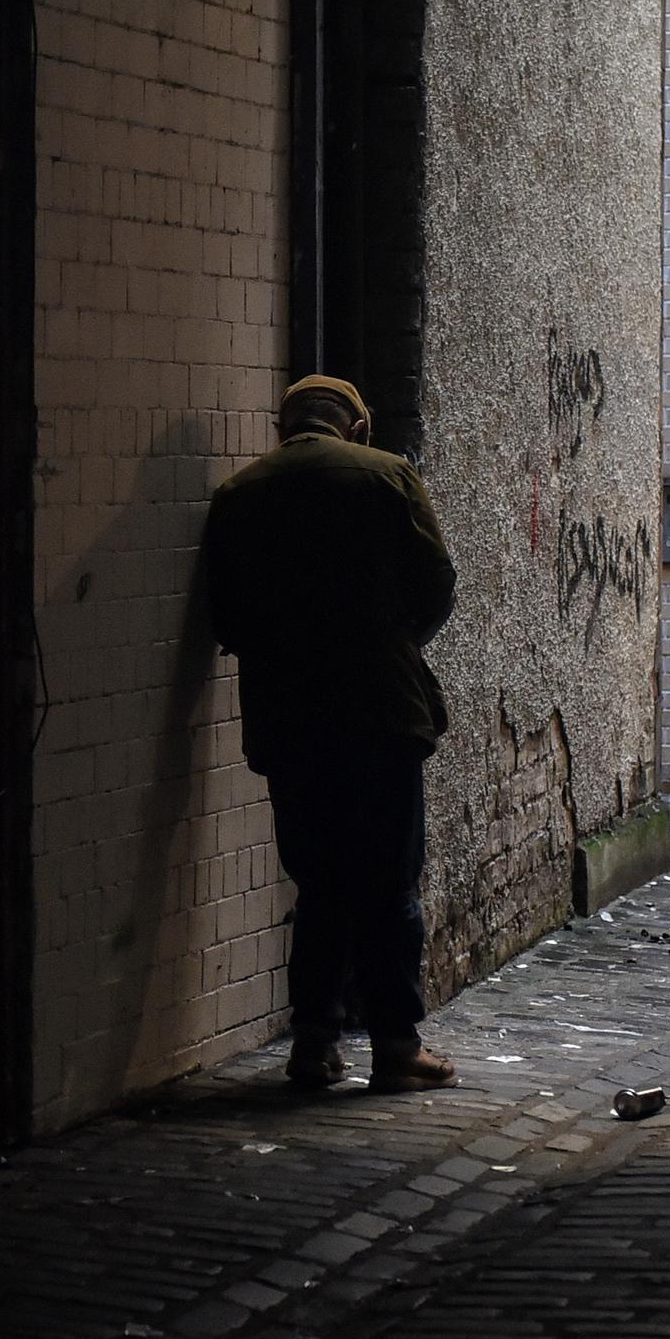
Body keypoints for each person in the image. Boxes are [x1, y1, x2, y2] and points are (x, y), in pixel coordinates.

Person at [203, 375, 460, 1094]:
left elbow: (227, 617)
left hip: (291, 720)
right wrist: (395, 642)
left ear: (284, 428)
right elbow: (436, 583)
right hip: (381, 712)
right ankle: (395, 1044)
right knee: (388, 883)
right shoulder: (386, 476)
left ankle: (312, 1043)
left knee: (318, 883)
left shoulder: (240, 494)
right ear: (355, 428)